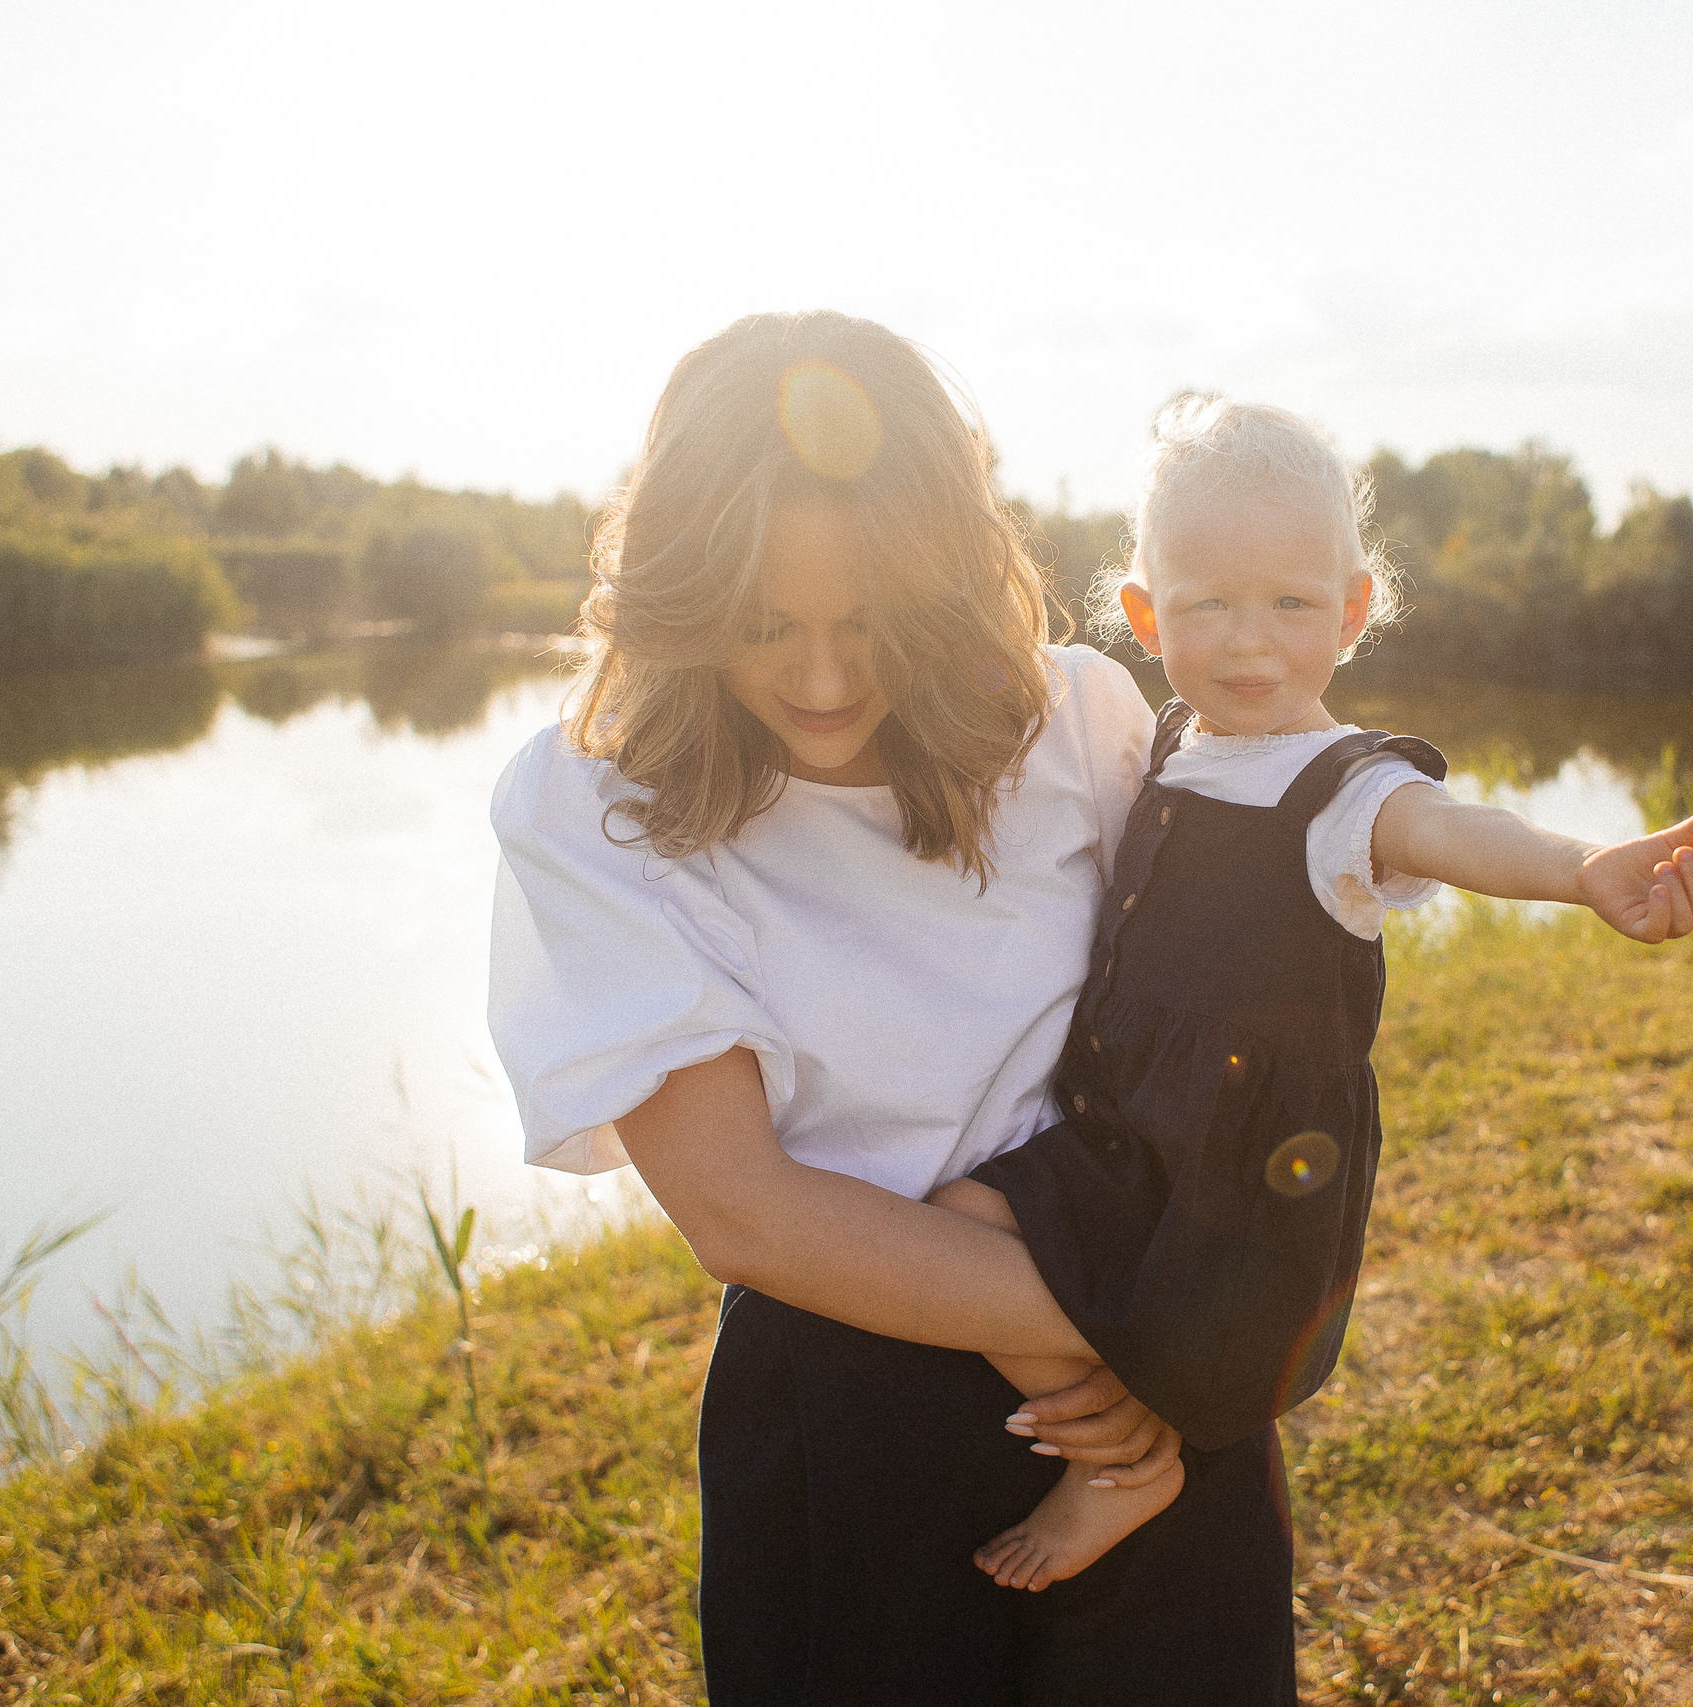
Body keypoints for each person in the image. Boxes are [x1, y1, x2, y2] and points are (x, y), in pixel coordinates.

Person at [489, 312, 1298, 1705]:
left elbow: (1226, 1013)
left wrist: (1169, 1348)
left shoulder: (1076, 719)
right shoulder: (596, 801)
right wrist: (1102, 1338)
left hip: (1147, 1360)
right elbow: (742, 1206)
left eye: (868, 622)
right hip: (860, 1404)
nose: (818, 680)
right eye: (762, 625)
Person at [932, 396, 1693, 1593]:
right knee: (964, 1219)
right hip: (1130, 1133)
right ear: (1145, 615)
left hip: (1240, 1166)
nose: (1248, 642)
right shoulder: (1168, 743)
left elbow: (1450, 829)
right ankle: (1107, 1429)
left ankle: (1120, 1466)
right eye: (1207, 605)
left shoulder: (1347, 790)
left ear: (1353, 611)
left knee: (1098, 1299)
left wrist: (1580, 869)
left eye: (1290, 604)